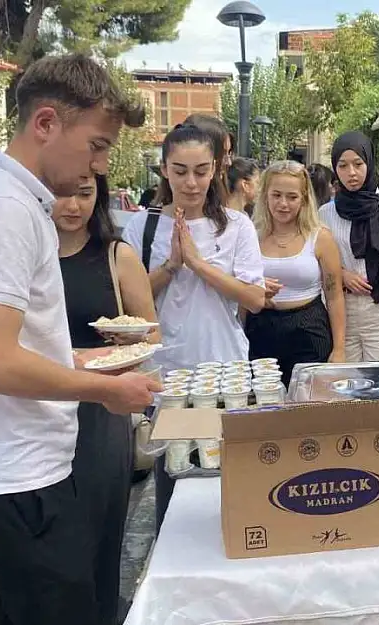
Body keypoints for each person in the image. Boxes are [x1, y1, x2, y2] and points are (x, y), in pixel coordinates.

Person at [0, 54, 160, 625]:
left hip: (7, 478)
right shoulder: (6, 209)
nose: (101, 165)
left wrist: (79, 358)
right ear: (46, 123)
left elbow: (7, 342)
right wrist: (98, 390)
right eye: (97, 144)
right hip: (14, 482)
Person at [122, 122, 265, 533]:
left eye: (201, 170)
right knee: (173, 482)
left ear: (217, 168)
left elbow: (254, 298)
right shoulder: (143, 228)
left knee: (227, 482)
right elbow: (129, 306)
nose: (190, 181)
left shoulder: (235, 226)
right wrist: (170, 266)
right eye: (180, 170)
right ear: (164, 170)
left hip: (225, 373)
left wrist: (199, 265)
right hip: (166, 376)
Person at [53, 173, 159, 625]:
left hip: (100, 414)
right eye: (63, 193)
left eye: (84, 194)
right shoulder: (25, 255)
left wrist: (124, 339)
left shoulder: (117, 256)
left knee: (98, 544)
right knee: (54, 552)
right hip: (38, 409)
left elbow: (149, 333)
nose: (73, 205)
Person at [247, 160, 347, 383]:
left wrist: (339, 348)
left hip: (309, 328)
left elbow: (334, 296)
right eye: (276, 195)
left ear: (304, 199)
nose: (283, 204)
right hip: (261, 328)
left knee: (309, 406)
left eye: (292, 197)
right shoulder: (249, 236)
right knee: (266, 406)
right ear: (265, 196)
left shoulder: (320, 237)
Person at [319, 131, 379, 362]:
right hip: (343, 313)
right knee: (348, 386)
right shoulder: (326, 213)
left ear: (369, 163)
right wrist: (341, 274)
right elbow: (318, 261)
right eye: (342, 166)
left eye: (358, 164)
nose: (351, 173)